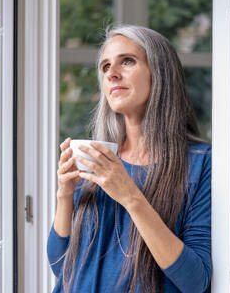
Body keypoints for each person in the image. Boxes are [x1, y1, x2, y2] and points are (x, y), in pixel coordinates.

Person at [47, 25, 212, 293]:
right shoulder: (100, 159)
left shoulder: (200, 163)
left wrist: (130, 197)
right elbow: (61, 267)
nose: (112, 74)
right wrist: (65, 196)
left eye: (127, 61)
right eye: (105, 67)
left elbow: (195, 282)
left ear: (159, 73)